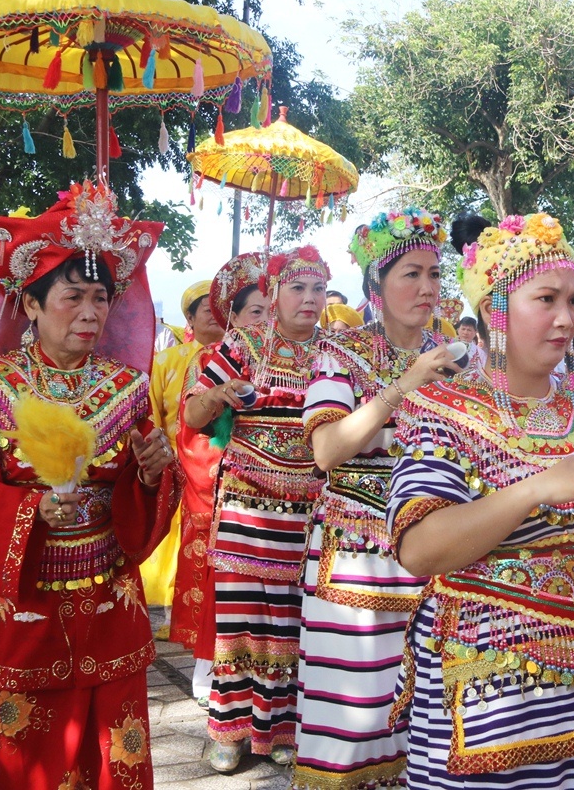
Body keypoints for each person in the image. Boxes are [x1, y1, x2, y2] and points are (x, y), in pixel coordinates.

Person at [385, 211, 574, 789]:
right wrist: (534, 489)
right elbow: (420, 549)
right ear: (494, 310)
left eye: (572, 301)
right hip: (486, 683)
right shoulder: (441, 409)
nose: (568, 319)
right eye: (546, 299)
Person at [0, 181, 181, 790]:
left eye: (101, 298)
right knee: (14, 757)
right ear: (32, 303)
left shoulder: (128, 387)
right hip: (21, 600)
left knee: (107, 754)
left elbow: (144, 490)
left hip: (106, 599)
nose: (92, 312)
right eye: (73, 297)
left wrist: (152, 474)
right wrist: (30, 510)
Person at [294, 209, 461, 790]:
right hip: (358, 558)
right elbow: (326, 450)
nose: (426, 287)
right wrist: (404, 385)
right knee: (353, 714)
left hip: (438, 550)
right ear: (376, 285)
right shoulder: (338, 354)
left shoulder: (456, 358)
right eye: (410, 274)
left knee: (432, 710)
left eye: (434, 274)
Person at [183, 245, 331, 773]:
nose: (309, 298)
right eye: (297, 288)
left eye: (318, 288)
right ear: (274, 293)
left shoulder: (336, 352)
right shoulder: (243, 343)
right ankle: (229, 726)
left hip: (309, 511)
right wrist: (221, 392)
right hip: (246, 507)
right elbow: (193, 414)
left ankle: (281, 727)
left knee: (293, 622)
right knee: (241, 618)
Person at [170, 252, 269, 707]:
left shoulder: (300, 354)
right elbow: (191, 426)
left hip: (286, 498)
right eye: (255, 311)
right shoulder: (214, 359)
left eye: (271, 309)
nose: (265, 320)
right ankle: (211, 668)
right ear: (234, 317)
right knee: (221, 583)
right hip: (226, 490)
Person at [142, 280, 225, 638]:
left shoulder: (239, 358)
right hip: (177, 463)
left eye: (220, 308)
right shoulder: (166, 360)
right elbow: (152, 413)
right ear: (189, 318)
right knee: (175, 539)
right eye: (206, 309)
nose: (214, 315)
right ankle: (174, 613)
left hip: (221, 467)